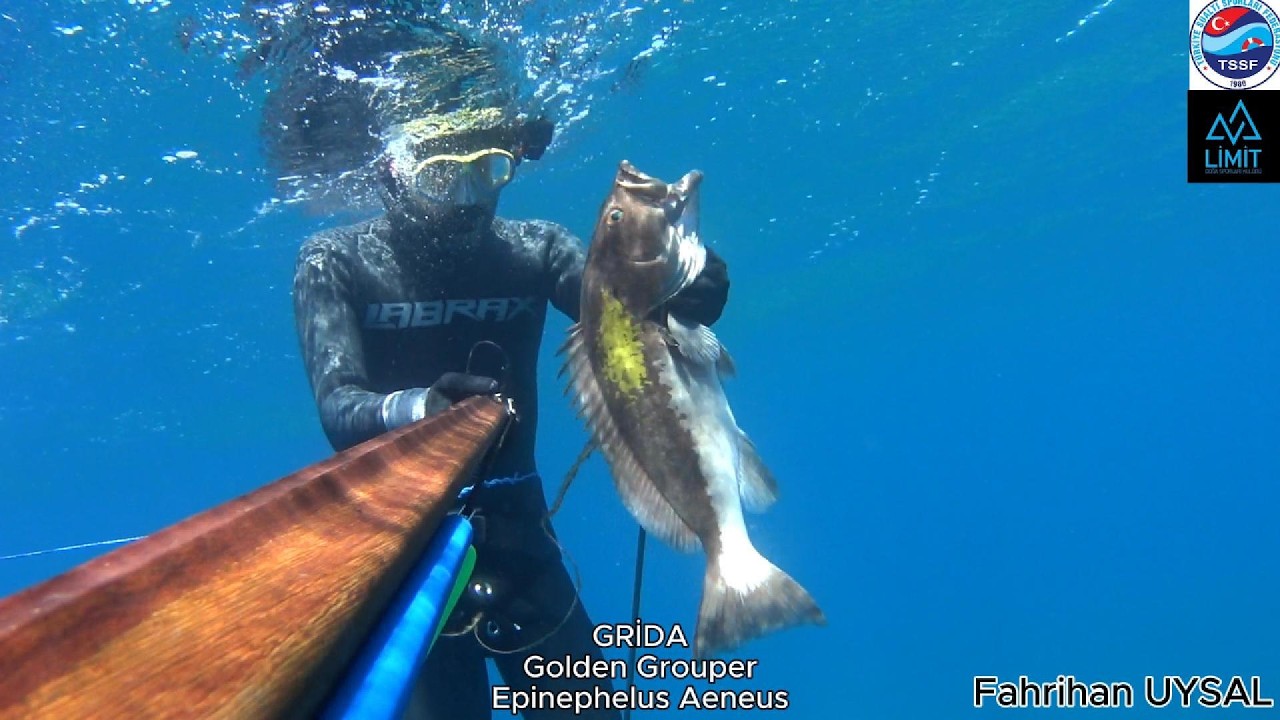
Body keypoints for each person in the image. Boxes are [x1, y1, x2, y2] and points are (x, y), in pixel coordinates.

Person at [291, 107, 730, 719]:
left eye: (490, 172)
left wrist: (681, 293)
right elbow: (340, 408)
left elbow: (620, 314)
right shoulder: (335, 259)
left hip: (520, 537)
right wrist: (426, 408)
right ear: (395, 171)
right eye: (444, 178)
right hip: (403, 558)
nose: (471, 200)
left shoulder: (538, 247)